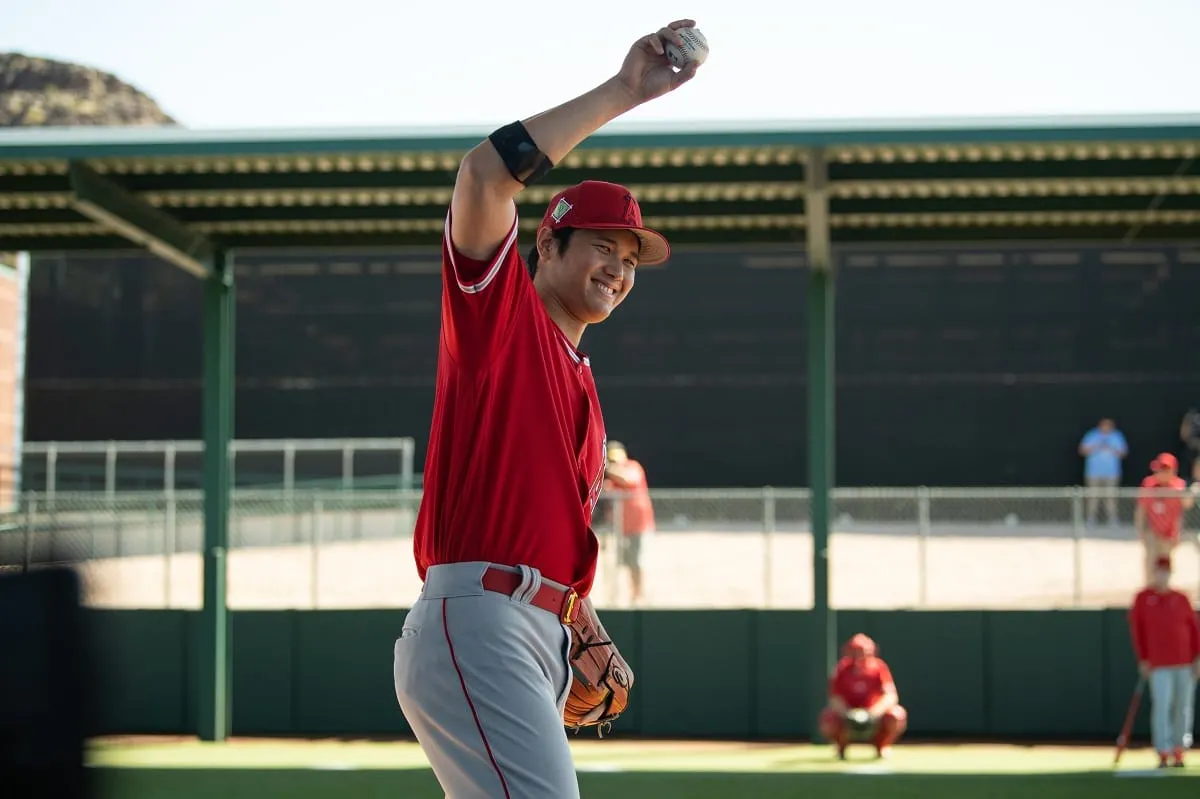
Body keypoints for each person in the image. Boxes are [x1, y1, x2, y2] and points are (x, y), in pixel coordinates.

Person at [390, 20, 703, 799]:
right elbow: (483, 176)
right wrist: (626, 91)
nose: (620, 269)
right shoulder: (498, 318)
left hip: (530, 624)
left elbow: (548, 529)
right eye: (603, 246)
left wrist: (581, 621)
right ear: (549, 247)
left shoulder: (585, 386)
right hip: (479, 616)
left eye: (631, 260)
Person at [1127, 555, 1200, 769]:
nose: (1162, 575)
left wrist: (1198, 658)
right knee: (1162, 705)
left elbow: (1195, 631)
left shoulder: (1182, 598)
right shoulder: (1143, 598)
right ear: (1153, 573)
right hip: (1158, 664)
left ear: (1170, 573)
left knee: (1183, 707)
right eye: (1159, 571)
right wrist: (1143, 659)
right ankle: (1163, 750)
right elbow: (1137, 631)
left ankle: (1179, 749)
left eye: (1166, 571)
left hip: (1185, 663)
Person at [817, 634, 908, 760]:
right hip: (848, 715)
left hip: (874, 714)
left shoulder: (879, 667)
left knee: (896, 715)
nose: (859, 655)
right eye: (855, 651)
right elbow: (834, 698)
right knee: (828, 718)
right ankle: (841, 747)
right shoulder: (842, 668)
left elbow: (890, 696)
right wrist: (849, 714)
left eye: (862, 651)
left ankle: (882, 746)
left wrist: (871, 714)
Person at [602, 440, 655, 606]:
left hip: (639, 526)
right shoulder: (611, 482)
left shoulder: (633, 467)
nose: (617, 466)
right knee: (618, 563)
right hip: (619, 529)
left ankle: (638, 596)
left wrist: (607, 468)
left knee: (636, 562)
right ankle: (618, 597)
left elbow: (628, 479)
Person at [1134, 453, 1197, 585]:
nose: (1159, 473)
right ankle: (1149, 589)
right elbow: (1141, 509)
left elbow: (1186, 505)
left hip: (1169, 531)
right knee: (1151, 560)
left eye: (1163, 470)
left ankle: (1164, 589)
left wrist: (1192, 491)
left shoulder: (1178, 486)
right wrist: (1140, 531)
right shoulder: (1149, 484)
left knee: (1165, 562)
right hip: (1152, 530)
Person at [1078, 418, 1128, 527]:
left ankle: (1112, 520)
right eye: (1103, 425)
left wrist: (1111, 448)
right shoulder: (1092, 435)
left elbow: (1123, 453)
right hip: (1093, 473)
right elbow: (1082, 450)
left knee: (1111, 497)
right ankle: (1091, 519)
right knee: (1093, 497)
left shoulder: (1116, 436)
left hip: (1112, 474)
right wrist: (1096, 446)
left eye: (1108, 425)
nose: (1106, 427)